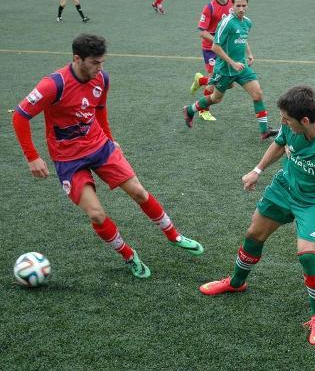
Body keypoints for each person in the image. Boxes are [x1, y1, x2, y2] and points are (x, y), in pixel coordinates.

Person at [198, 85, 315, 345]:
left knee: (307, 253)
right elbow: (279, 143)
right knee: (254, 234)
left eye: (286, 119)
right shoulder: (289, 128)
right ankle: (236, 282)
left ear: (304, 120)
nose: (282, 123)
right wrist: (257, 171)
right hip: (284, 188)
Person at [12, 34, 204, 279]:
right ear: (77, 59)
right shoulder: (53, 84)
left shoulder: (101, 79)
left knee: (138, 192)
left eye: (102, 62)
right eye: (94, 62)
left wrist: (110, 139)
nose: (100, 68)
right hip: (69, 160)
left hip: (100, 147)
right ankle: (129, 255)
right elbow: (19, 116)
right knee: (96, 214)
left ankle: (174, 235)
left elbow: (100, 110)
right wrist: (32, 157)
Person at [183, 0, 278, 141]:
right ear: (232, 6)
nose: (241, 9)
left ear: (247, 5)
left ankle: (264, 130)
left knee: (257, 94)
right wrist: (232, 63)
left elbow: (243, 38)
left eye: (244, 5)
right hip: (225, 69)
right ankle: (189, 110)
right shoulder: (226, 23)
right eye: (238, 6)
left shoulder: (247, 22)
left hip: (242, 67)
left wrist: (249, 54)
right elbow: (215, 47)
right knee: (215, 98)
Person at [188, 0, 233, 122]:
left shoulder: (233, 5)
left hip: (226, 50)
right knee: (214, 83)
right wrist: (217, 41)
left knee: (230, 83)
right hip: (211, 49)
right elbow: (202, 31)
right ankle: (203, 110)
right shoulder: (209, 7)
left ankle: (200, 80)